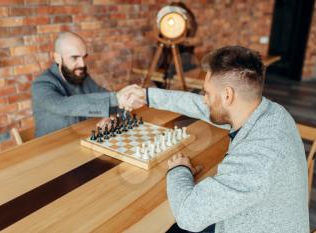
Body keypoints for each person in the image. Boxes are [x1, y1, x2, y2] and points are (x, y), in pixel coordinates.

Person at [118, 46, 309, 233]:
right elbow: (202, 108)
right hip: (263, 218)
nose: (204, 100)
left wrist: (179, 169)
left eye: (206, 93)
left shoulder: (257, 158)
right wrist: (148, 96)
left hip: (250, 225)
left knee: (168, 225)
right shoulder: (272, 112)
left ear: (227, 95)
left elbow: (188, 216)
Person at [31, 32, 132, 137]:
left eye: (84, 57)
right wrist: (116, 98)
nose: (82, 64)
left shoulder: (82, 77)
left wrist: (113, 117)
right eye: (74, 58)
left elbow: (113, 103)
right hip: (50, 148)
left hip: (81, 141)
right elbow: (64, 105)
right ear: (57, 58)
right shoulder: (40, 85)